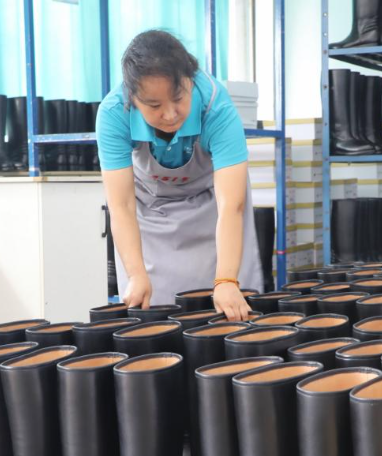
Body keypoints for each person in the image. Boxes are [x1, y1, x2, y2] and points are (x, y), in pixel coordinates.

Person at [97, 29, 262, 320]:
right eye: (154, 106)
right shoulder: (113, 113)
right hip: (151, 211)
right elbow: (121, 206)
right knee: (156, 317)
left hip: (214, 208)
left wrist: (226, 280)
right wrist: (136, 274)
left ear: (190, 80)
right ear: (133, 98)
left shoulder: (216, 106)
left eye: (178, 98)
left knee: (226, 314)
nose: (170, 114)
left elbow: (231, 205)